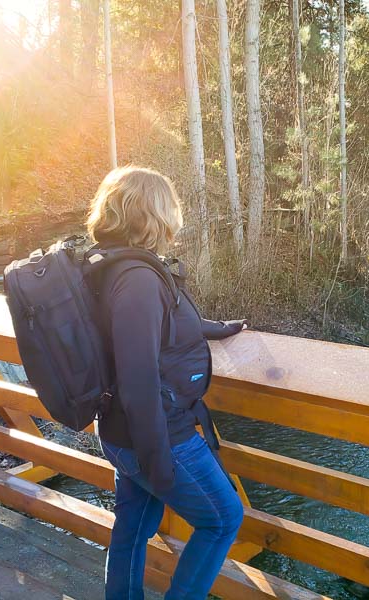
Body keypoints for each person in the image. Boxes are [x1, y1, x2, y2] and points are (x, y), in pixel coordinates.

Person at [85, 166, 246, 600]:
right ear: (155, 215)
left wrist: (216, 327)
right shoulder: (137, 279)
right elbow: (138, 378)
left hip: (120, 428)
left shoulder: (112, 266)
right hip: (153, 434)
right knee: (223, 518)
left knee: (133, 527)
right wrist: (156, 458)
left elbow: (155, 328)